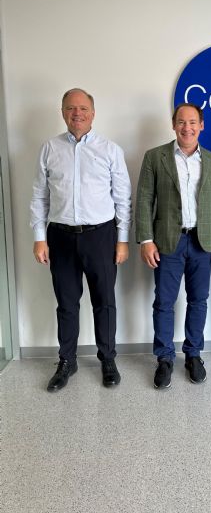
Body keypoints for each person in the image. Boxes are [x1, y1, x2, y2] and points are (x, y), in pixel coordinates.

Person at [31, 88, 132, 392]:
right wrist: (39, 238)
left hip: (101, 236)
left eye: (83, 108)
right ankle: (67, 361)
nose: (77, 113)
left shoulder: (110, 150)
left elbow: (122, 198)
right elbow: (39, 196)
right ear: (63, 112)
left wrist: (122, 240)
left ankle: (108, 359)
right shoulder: (49, 149)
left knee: (105, 301)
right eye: (71, 108)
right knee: (66, 303)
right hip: (60, 236)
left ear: (93, 113)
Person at [136, 103, 211, 389]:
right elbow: (144, 200)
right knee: (164, 302)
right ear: (173, 124)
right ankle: (165, 358)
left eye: (192, 122)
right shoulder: (155, 157)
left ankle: (193, 354)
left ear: (202, 125)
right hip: (168, 241)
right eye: (181, 122)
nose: (186, 128)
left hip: (203, 241)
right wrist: (146, 240)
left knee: (198, 300)